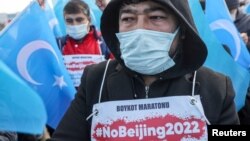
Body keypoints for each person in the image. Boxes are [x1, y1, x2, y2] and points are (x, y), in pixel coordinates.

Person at [49, 0, 239, 140]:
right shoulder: (95, 79)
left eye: (156, 17)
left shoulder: (215, 87)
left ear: (181, 30)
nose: (139, 29)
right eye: (129, 18)